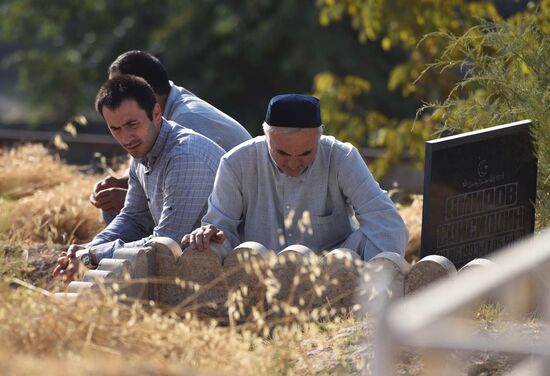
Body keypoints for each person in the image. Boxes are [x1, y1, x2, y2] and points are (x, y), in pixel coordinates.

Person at [183, 94, 408, 260]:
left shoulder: (342, 157)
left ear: (319, 138)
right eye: (281, 153)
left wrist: (364, 280)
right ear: (266, 137)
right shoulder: (236, 164)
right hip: (259, 275)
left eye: (306, 153)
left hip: (334, 273)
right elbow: (223, 233)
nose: (293, 163)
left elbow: (388, 225)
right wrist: (212, 235)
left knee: (373, 237)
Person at [53, 75, 225, 281]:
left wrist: (93, 256)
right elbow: (132, 218)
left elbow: (166, 242)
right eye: (115, 129)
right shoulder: (143, 149)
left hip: (225, 266)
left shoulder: (184, 156)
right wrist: (86, 249)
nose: (126, 138)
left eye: (132, 124)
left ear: (156, 113)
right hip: (187, 261)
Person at [91, 50, 251, 223]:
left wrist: (132, 203)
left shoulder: (187, 120)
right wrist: (119, 183)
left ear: (143, 90)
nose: (113, 97)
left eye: (120, 89)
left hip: (237, 217)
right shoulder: (160, 114)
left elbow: (188, 192)